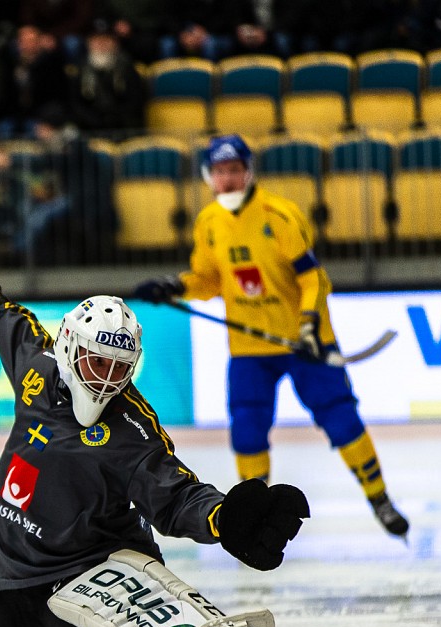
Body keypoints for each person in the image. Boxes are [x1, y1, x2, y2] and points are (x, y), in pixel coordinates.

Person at [0, 236, 309, 627]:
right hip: (9, 567)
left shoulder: (131, 429)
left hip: (95, 565)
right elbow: (10, 324)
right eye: (97, 364)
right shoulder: (34, 367)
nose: (108, 380)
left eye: (120, 369)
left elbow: (176, 492)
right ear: (70, 348)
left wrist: (225, 518)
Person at [132, 134, 409, 540]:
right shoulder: (209, 222)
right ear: (210, 177)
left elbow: (312, 278)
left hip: (304, 342)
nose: (228, 181)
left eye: (235, 171)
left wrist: (311, 324)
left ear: (249, 172)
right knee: (246, 430)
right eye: (220, 173)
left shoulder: (279, 215)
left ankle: (379, 498)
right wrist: (176, 286)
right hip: (250, 349)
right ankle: (256, 516)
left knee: (341, 419)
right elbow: (210, 280)